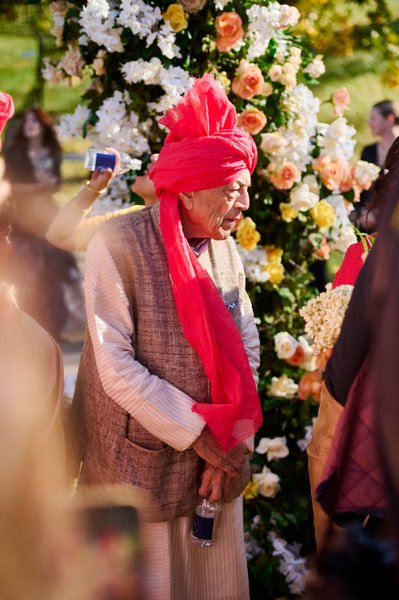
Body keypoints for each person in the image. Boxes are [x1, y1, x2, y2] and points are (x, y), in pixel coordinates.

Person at [70, 74, 262, 600]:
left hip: (213, 466)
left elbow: (247, 345)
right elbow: (116, 368)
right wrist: (203, 436)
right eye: (234, 188)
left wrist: (229, 446)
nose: (245, 202)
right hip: (139, 464)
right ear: (193, 187)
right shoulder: (120, 244)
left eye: (247, 187)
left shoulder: (225, 251)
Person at [4, 108, 84, 340]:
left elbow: (56, 184)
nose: (30, 124)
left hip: (46, 216)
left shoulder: (51, 151)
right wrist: (37, 187)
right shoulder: (15, 152)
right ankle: (27, 325)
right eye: (26, 120)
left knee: (55, 272)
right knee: (26, 273)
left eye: (35, 120)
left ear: (43, 125)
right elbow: (10, 186)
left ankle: (54, 326)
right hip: (22, 218)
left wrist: (46, 185)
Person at [45, 154, 158, 252]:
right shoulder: (131, 219)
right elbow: (60, 237)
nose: (154, 157)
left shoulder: (171, 233)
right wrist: (93, 189)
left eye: (170, 155)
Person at [355, 100, 399, 232]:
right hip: (366, 224)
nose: (369, 122)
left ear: (389, 119)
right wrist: (362, 213)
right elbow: (360, 188)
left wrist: (379, 215)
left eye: (374, 118)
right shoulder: (368, 151)